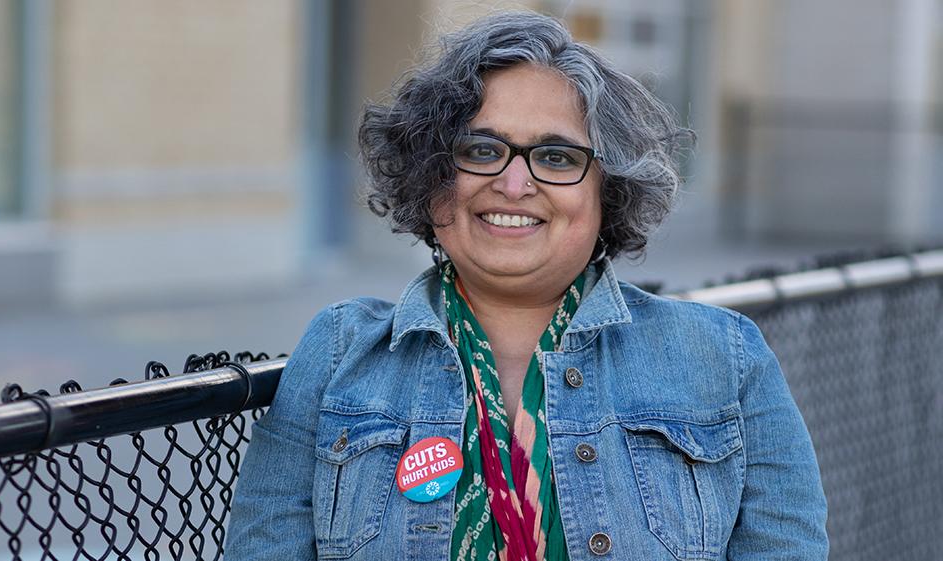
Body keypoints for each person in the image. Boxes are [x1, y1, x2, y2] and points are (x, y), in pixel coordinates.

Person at [225, 11, 828, 561]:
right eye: (482, 149)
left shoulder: (725, 359)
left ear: (606, 191)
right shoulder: (337, 354)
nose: (514, 185)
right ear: (432, 176)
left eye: (558, 158)